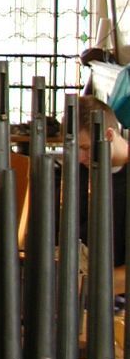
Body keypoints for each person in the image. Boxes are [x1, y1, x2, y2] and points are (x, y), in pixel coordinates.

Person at [72, 94, 128, 296]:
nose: (80, 157)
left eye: (85, 148)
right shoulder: (80, 172)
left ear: (109, 135)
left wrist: (84, 287)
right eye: (75, 149)